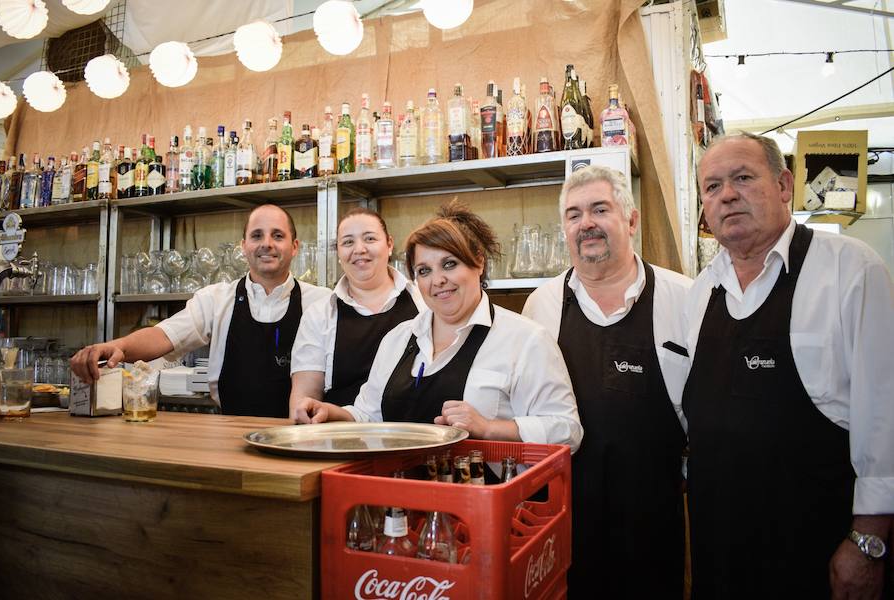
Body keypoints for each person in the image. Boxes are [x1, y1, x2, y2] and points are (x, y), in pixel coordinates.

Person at [684, 132, 894, 599]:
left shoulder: (850, 270)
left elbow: (885, 417)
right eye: (712, 187)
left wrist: (868, 542)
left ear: (783, 185)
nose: (727, 195)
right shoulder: (700, 292)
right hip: (719, 553)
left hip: (815, 553)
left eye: (742, 178)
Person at [523, 165, 691, 599]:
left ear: (631, 220)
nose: (587, 223)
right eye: (574, 214)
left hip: (653, 516)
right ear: (565, 228)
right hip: (562, 516)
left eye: (600, 209)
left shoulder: (685, 298)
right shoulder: (540, 305)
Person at [293, 200, 583, 452]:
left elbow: (567, 431)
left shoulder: (525, 339)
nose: (437, 281)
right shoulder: (398, 339)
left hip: (479, 504)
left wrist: (489, 428)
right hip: (397, 500)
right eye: (424, 271)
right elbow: (369, 416)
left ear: (478, 262)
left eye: (449, 264)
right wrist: (330, 413)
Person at [71, 204, 331, 417]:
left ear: (294, 246)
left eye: (278, 235)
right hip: (229, 434)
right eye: (256, 235)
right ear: (243, 246)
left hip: (296, 434)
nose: (267, 244)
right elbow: (164, 335)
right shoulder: (216, 299)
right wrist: (116, 347)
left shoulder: (320, 302)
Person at [289, 207, 424, 414]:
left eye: (369, 239)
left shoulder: (423, 301)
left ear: (389, 244)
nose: (359, 249)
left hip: (417, 434)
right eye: (348, 242)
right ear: (339, 253)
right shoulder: (320, 314)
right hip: (340, 437)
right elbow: (304, 397)